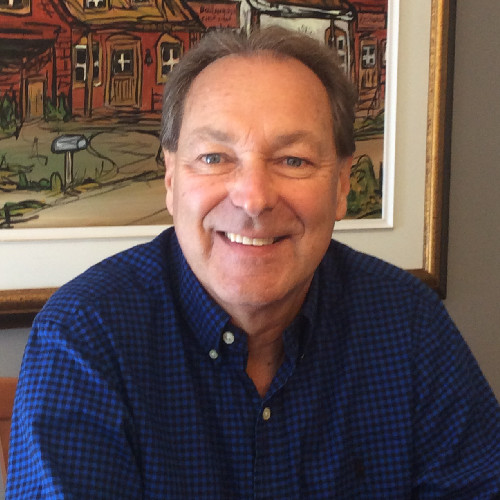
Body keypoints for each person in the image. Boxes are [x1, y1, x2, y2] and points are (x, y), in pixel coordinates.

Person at [6, 27, 500, 499]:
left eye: (293, 160)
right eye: (214, 157)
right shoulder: (84, 337)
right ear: (172, 179)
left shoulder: (408, 324)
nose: (254, 198)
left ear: (342, 184)